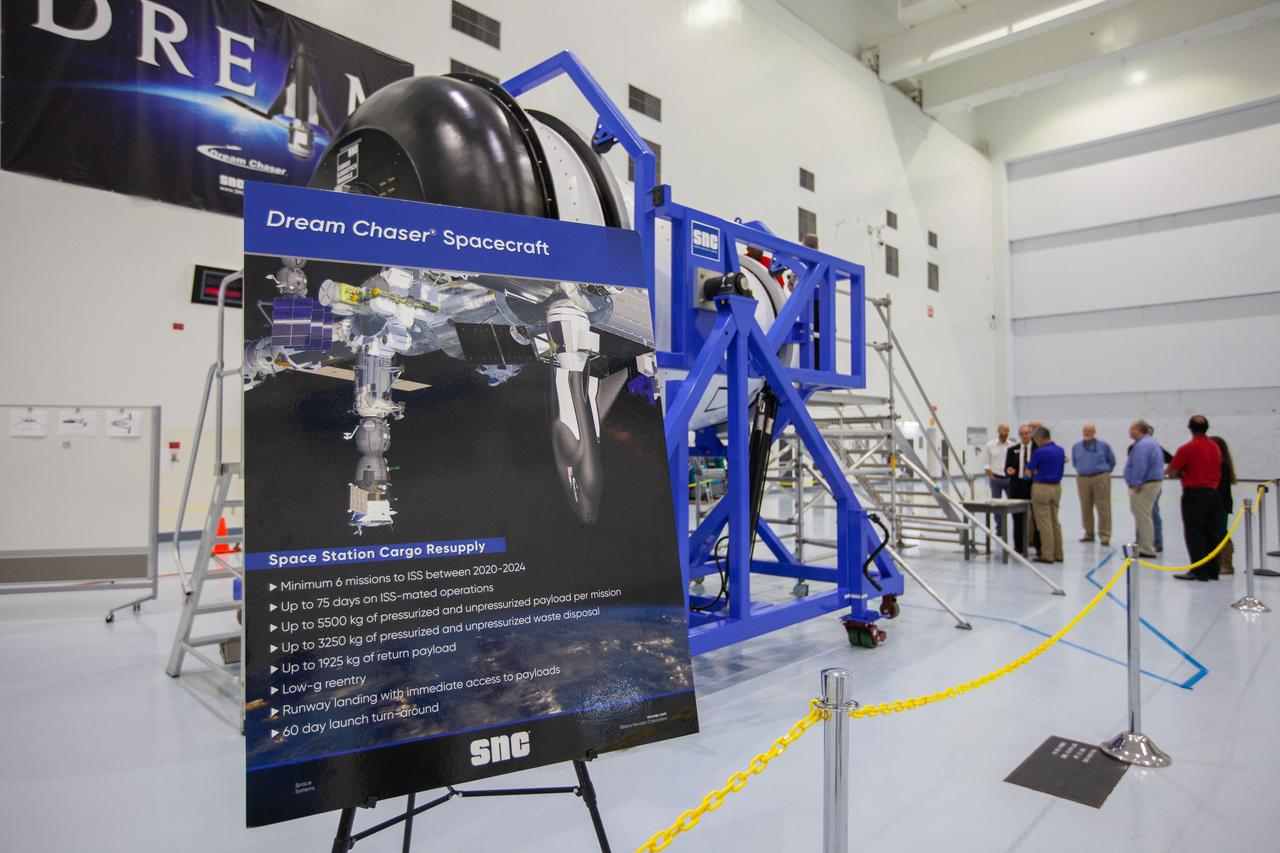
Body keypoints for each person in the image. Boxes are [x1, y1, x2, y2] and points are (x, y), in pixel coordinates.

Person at [1166, 415, 1222, 581]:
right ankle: (1213, 569)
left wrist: (1181, 472)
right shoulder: (1214, 447)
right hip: (1213, 493)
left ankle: (1199, 570)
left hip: (1194, 494)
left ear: (1189, 428)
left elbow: (1172, 470)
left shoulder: (1187, 448)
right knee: (1212, 532)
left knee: (1195, 532)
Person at [1123, 420, 1163, 558]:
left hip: (1144, 485)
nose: (1129, 432)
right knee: (1145, 516)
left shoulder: (1143, 446)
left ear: (1138, 430)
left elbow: (1140, 465)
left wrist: (1136, 482)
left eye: (1131, 429)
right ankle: (1145, 544)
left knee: (1144, 517)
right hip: (1150, 483)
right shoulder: (1150, 443)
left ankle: (1146, 547)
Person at [1071, 423, 1115, 545]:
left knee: (1103, 507)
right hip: (1083, 478)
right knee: (1085, 506)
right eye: (1085, 431)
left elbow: (1111, 461)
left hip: (1100, 477)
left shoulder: (1103, 446)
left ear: (1094, 432)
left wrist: (1103, 474)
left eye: (1089, 431)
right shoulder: (1076, 446)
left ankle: (1105, 535)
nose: (1087, 433)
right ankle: (1088, 533)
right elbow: (1074, 462)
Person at [1027, 426, 1065, 563]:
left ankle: (1047, 554)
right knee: (1055, 521)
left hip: (1041, 488)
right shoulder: (1060, 451)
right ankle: (1058, 553)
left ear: (1039, 439)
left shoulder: (1039, 452)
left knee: (1044, 523)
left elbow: (1028, 471)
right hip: (1056, 488)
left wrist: (1032, 473)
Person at [1004, 424, 1037, 555]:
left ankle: (1037, 545)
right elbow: (1007, 468)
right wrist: (1009, 471)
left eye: (1027, 433)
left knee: (1036, 517)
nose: (1024, 436)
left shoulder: (1037, 449)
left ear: (1031, 434)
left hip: (1033, 486)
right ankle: (1018, 547)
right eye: (1022, 434)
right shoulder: (1012, 450)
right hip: (1016, 486)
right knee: (1017, 518)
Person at [1211, 435, 1237, 575]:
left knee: (1221, 532)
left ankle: (1226, 562)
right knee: (1216, 532)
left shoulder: (1221, 464)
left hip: (1220, 504)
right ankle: (1215, 560)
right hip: (1215, 504)